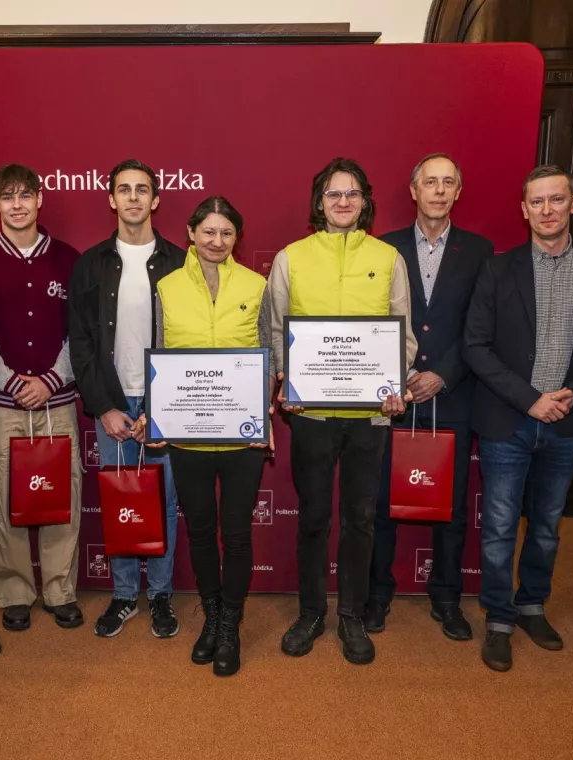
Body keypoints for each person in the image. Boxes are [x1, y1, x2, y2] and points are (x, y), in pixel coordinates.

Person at [463, 164, 573, 673]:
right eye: (537, 202)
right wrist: (530, 399)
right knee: (500, 526)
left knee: (548, 526)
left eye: (556, 200)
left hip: (566, 423)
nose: (547, 210)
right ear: (524, 210)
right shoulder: (497, 268)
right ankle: (500, 619)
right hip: (508, 419)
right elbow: (476, 347)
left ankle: (532, 605)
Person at [269, 157, 417, 666]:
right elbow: (275, 330)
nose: (343, 202)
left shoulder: (387, 257)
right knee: (312, 517)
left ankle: (351, 614)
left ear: (364, 202)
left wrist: (395, 383)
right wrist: (287, 376)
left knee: (359, 518)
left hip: (369, 416)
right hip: (310, 412)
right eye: (334, 194)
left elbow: (403, 332)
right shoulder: (291, 257)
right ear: (319, 201)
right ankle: (311, 612)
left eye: (352, 193)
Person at [131, 196, 274, 676]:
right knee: (197, 532)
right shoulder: (166, 286)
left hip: (242, 436)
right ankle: (210, 618)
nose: (217, 241)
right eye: (208, 232)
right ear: (191, 233)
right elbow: (158, 352)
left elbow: (266, 354)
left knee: (235, 534)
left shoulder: (256, 285)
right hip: (187, 436)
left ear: (237, 238)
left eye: (227, 233)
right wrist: (156, 416)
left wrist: (264, 415)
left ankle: (230, 622)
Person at [365, 153, 494, 639]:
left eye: (448, 183)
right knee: (381, 503)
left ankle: (446, 597)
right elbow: (372, 319)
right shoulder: (385, 248)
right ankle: (377, 595)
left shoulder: (480, 251)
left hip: (453, 394)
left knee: (452, 507)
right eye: (430, 183)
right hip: (392, 396)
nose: (438, 191)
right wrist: (396, 374)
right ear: (413, 191)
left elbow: (482, 326)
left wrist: (443, 372)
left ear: (458, 192)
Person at [0, 164, 83, 633]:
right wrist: (11, 382)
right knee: (3, 497)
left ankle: (60, 590)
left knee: (61, 496)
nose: (17, 204)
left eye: (25, 195)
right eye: (7, 196)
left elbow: (81, 334)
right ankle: (13, 592)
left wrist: (51, 379)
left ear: (39, 199)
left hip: (57, 402)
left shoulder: (70, 260)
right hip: (1, 405)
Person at [69, 159, 185, 638]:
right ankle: (122, 596)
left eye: (142, 190)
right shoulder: (89, 263)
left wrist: (162, 408)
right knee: (121, 502)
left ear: (156, 200)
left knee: (164, 499)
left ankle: (159, 595)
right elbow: (81, 343)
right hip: (114, 402)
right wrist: (105, 406)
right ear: (111, 199)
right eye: (124, 190)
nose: (134, 198)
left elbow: (191, 342)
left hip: (167, 403)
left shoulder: (182, 261)